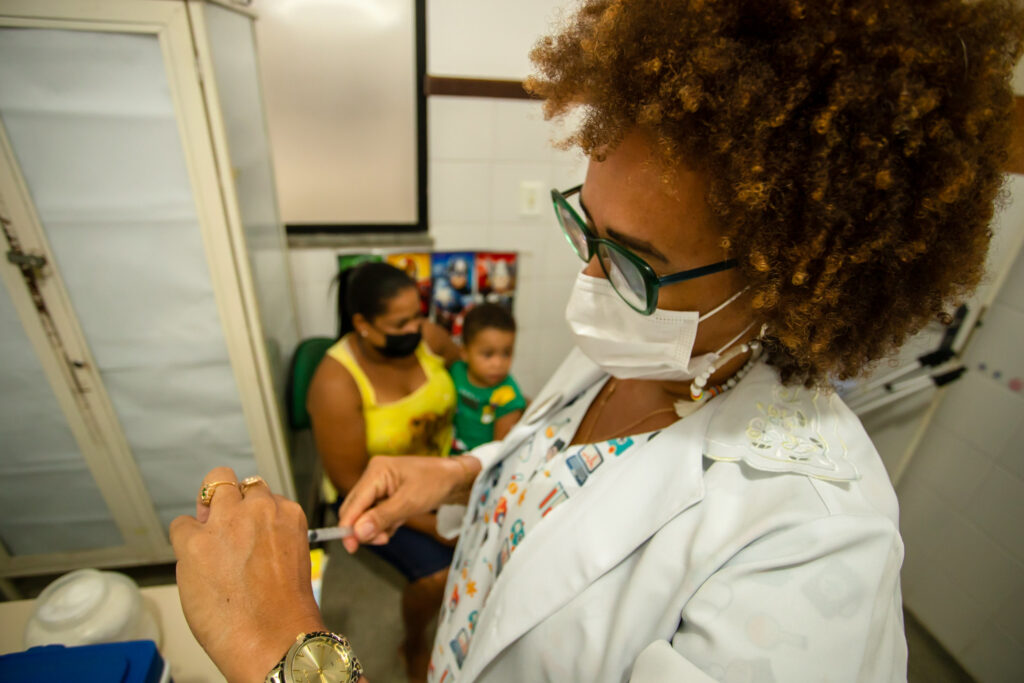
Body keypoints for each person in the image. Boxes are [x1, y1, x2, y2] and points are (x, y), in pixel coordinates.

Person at [170, 1, 1024, 682]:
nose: (590, 279)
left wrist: (281, 648)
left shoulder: (806, 548)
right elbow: (568, 474)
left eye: (636, 261)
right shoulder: (654, 341)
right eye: (589, 226)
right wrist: (468, 472)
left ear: (789, 277)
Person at [306, 261, 461, 681]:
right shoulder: (335, 382)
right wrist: (434, 525)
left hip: (442, 472)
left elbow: (465, 371)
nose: (417, 327)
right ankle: (413, 643)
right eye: (401, 321)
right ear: (363, 324)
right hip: (373, 495)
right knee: (439, 575)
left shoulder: (427, 339)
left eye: (418, 314)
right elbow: (351, 481)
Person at [450, 303, 527, 453]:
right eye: (488, 354)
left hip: (481, 466)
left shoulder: (509, 399)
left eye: (506, 353)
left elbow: (499, 450)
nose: (498, 364)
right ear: (464, 352)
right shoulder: (456, 371)